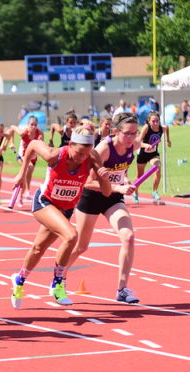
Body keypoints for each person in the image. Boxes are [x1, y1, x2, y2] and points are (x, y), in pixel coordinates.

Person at [9, 126, 110, 309]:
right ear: (70, 144)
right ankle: (57, 284)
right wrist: (22, 173)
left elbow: (106, 192)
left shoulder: (92, 158)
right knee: (71, 235)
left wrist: (105, 178)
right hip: (44, 202)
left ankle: (19, 279)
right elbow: (32, 143)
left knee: (39, 248)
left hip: (66, 208)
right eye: (79, 153)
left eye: (86, 154)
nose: (81, 159)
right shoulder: (54, 155)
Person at [66, 113, 142, 304]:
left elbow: (120, 170)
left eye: (135, 133)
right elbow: (88, 182)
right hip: (91, 197)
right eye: (128, 134)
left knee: (129, 237)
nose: (132, 138)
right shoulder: (104, 149)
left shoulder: (132, 145)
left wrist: (125, 179)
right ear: (116, 131)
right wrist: (118, 186)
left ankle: (122, 290)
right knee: (81, 246)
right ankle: (59, 277)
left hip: (113, 198)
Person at [133, 111, 171, 203]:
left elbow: (167, 128)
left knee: (157, 168)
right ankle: (135, 192)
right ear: (149, 121)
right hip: (142, 154)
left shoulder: (162, 128)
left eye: (157, 121)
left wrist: (168, 140)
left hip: (153, 154)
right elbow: (137, 142)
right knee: (139, 176)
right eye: (153, 121)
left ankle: (154, 191)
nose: (155, 123)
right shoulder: (146, 128)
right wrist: (146, 145)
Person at [11, 115, 44, 206]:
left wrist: (41, 142)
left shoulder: (40, 133)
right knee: (26, 172)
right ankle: (20, 197)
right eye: (31, 125)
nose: (33, 127)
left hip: (33, 158)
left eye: (35, 125)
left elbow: (42, 146)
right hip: (22, 156)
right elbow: (12, 127)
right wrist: (12, 143)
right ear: (27, 124)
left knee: (29, 174)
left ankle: (27, 191)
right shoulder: (23, 133)